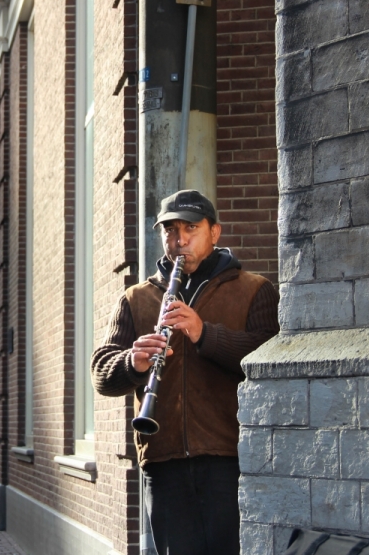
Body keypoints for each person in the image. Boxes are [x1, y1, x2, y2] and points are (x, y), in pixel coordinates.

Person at [91, 189, 279, 555]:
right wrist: (132, 363)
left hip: (229, 459)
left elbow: (267, 359)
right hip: (164, 462)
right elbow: (101, 372)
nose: (179, 240)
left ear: (215, 232)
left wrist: (204, 333)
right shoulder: (137, 298)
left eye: (190, 228)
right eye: (170, 230)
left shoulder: (255, 289)